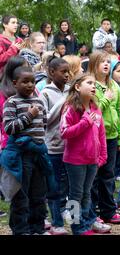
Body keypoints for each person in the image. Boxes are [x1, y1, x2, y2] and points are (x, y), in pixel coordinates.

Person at [0, 66, 50, 235]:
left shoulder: (39, 101)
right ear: (15, 83)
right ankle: (21, 229)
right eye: (25, 82)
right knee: (21, 195)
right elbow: (9, 128)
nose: (29, 85)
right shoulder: (11, 103)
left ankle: (37, 227)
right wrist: (28, 116)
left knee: (38, 194)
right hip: (21, 155)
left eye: (32, 82)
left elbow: (44, 125)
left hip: (38, 153)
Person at [60, 74, 108, 235]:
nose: (93, 86)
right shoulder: (71, 107)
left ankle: (86, 225)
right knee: (75, 195)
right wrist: (84, 122)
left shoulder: (95, 108)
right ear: (77, 87)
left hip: (92, 160)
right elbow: (64, 132)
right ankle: (76, 227)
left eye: (94, 83)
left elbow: (101, 133)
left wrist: (103, 155)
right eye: (89, 83)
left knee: (86, 194)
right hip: (75, 160)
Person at [88, 51, 120, 225]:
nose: (105, 64)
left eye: (107, 62)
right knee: (93, 177)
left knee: (108, 175)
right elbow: (93, 111)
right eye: (101, 62)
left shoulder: (115, 86)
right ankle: (92, 212)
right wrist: (105, 99)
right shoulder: (90, 85)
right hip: (94, 137)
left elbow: (119, 112)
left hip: (111, 137)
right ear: (94, 64)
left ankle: (108, 211)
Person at [39, 57, 71, 235]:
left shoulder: (70, 90)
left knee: (74, 188)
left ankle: (75, 222)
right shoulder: (45, 93)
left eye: (68, 72)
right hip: (52, 148)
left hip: (72, 148)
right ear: (52, 73)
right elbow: (45, 120)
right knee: (54, 187)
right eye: (63, 72)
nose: (67, 75)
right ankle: (56, 223)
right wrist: (62, 103)